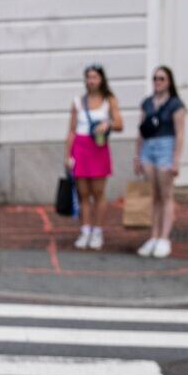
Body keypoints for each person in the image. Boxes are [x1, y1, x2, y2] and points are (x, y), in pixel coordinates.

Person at [64, 64, 121, 250]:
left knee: (98, 193)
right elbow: (71, 130)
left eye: (95, 77)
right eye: (89, 77)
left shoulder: (109, 100)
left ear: (101, 79)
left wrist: (108, 124)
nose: (91, 81)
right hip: (81, 148)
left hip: (98, 148)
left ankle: (98, 231)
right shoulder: (78, 101)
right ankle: (85, 230)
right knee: (83, 194)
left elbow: (120, 124)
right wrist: (67, 155)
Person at [135, 66, 186, 259]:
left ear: (169, 81)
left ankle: (164, 237)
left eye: (162, 78)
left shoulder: (175, 105)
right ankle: (154, 236)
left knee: (166, 195)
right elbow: (140, 130)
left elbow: (180, 133)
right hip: (149, 147)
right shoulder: (147, 103)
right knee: (154, 195)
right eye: (155, 78)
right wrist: (137, 156)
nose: (158, 82)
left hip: (166, 146)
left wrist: (176, 160)